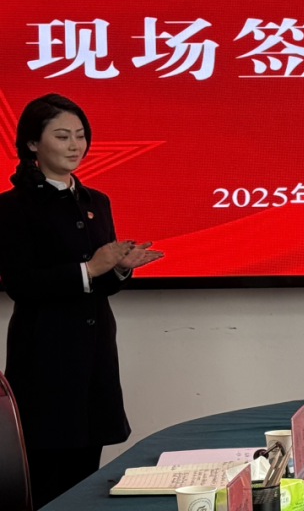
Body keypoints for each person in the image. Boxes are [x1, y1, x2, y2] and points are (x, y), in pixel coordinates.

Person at [0, 94, 163, 509]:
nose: (75, 145)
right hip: (44, 356)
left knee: (87, 475)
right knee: (47, 478)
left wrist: (119, 268)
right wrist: (89, 268)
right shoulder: (12, 207)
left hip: (94, 355)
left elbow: (102, 285)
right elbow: (20, 284)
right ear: (32, 143)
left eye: (80, 135)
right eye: (62, 136)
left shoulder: (96, 201)